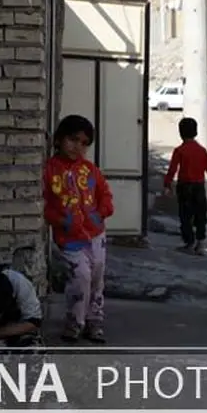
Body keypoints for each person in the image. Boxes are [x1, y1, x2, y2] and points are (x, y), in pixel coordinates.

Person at [44, 114, 114, 343]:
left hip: (96, 235)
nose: (78, 147)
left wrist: (102, 210)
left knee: (96, 277)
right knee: (80, 277)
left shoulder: (90, 170)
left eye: (84, 143)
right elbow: (45, 204)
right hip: (69, 238)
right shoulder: (49, 171)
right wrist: (62, 221)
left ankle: (94, 321)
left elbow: (104, 193)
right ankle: (74, 321)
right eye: (73, 140)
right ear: (59, 139)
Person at [164, 117, 207, 255]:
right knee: (201, 215)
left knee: (185, 216)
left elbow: (172, 169)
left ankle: (189, 242)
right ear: (195, 132)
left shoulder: (179, 150)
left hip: (184, 187)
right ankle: (200, 244)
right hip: (199, 187)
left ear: (180, 132)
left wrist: (167, 185)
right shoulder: (201, 150)